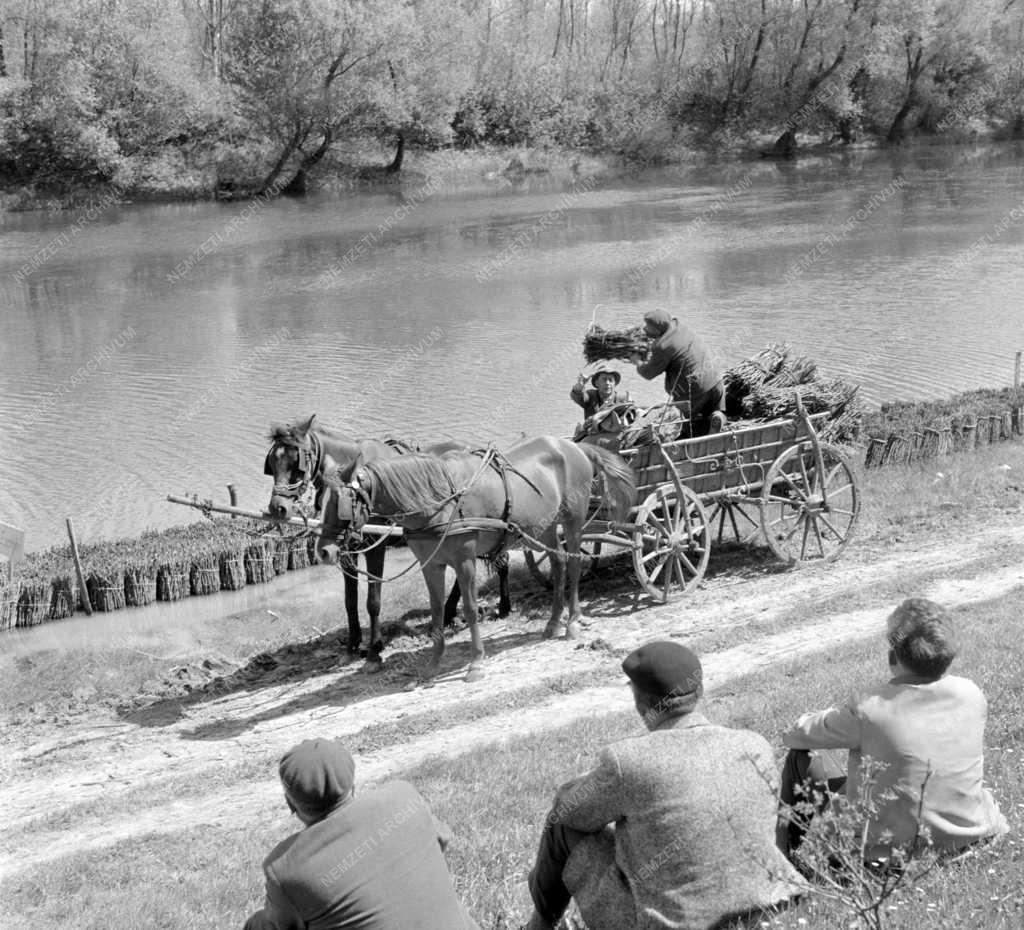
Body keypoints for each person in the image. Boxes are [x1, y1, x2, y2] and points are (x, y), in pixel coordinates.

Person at [523, 641, 804, 930]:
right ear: (700, 691)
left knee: (562, 826)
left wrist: (593, 778)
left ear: (639, 702)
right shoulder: (753, 744)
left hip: (668, 924)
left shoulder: (628, 761)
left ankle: (540, 924)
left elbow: (567, 810)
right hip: (769, 910)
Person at [779, 598, 1008, 864]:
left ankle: (789, 858)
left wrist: (831, 716)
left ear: (893, 655)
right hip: (969, 840)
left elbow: (793, 734)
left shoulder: (869, 708)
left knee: (801, 758)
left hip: (888, 855)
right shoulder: (971, 694)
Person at [244, 737, 479, 930]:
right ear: (352, 785)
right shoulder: (403, 798)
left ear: (290, 804)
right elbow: (442, 841)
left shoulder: (287, 869)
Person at [629, 309, 725, 436]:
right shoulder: (679, 325)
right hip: (716, 379)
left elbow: (648, 373)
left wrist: (636, 361)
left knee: (677, 424)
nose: (644, 328)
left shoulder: (663, 346)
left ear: (658, 329)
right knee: (716, 410)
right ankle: (718, 416)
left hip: (695, 389)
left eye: (648, 326)